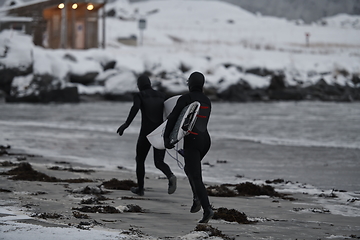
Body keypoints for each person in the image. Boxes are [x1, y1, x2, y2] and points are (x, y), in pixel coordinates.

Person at [163, 71, 213, 223]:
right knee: (190, 169)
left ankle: (207, 209)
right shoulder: (207, 100)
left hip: (193, 141)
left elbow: (174, 118)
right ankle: (197, 196)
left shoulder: (186, 99)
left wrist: (167, 138)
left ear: (190, 83)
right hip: (205, 141)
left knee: (196, 176)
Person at [117, 75, 176, 196]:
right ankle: (170, 176)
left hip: (146, 132)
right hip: (160, 132)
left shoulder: (140, 95)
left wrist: (126, 124)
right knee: (159, 162)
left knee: (140, 159)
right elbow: (171, 111)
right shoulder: (162, 95)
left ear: (139, 85)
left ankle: (141, 189)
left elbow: (135, 108)